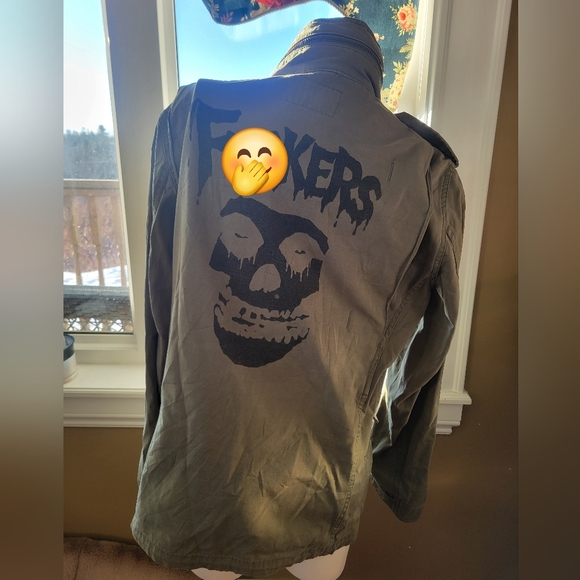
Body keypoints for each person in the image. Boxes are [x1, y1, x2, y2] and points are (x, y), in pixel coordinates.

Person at [132, 17, 465, 579]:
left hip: (195, 475)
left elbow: (161, 302)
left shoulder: (190, 113)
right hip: (320, 487)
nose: (266, 280)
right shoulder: (426, 171)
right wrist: (392, 456)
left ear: (291, 58)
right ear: (375, 77)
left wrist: (157, 434)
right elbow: (436, 338)